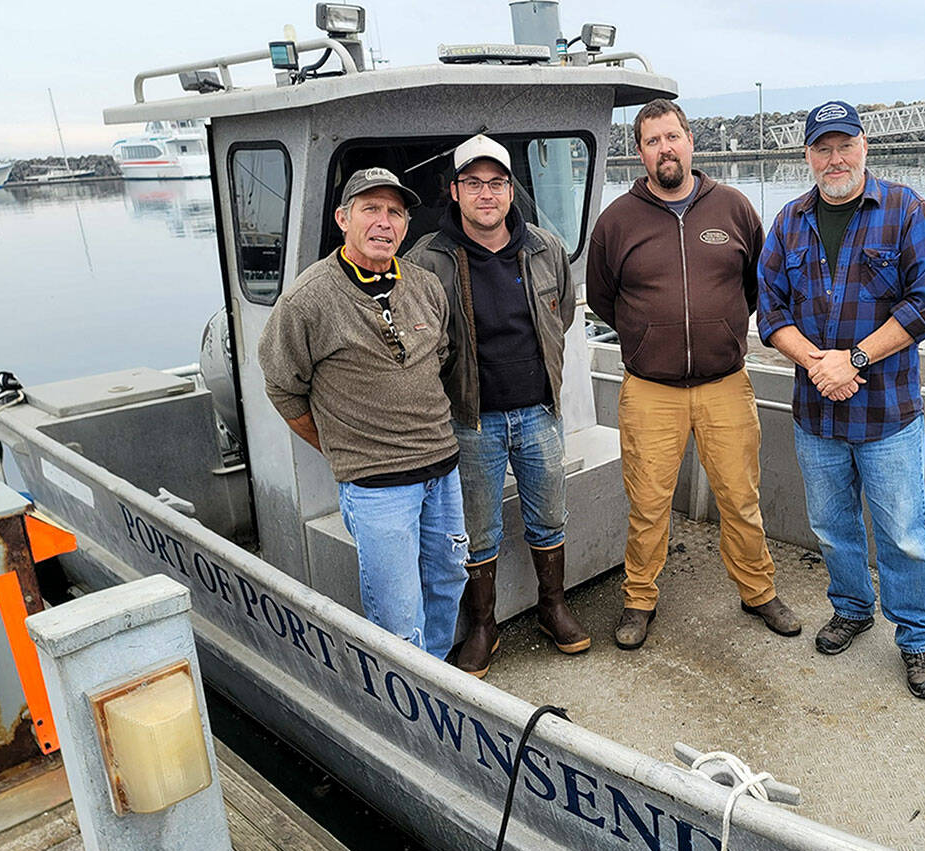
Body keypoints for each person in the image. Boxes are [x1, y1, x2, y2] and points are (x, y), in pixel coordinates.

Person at [587, 98, 801, 650]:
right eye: (652, 141)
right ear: (639, 153)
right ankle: (639, 599)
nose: (665, 149)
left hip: (725, 385)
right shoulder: (616, 222)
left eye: (672, 137)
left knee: (740, 496)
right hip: (650, 391)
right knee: (648, 503)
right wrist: (649, 336)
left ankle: (757, 591)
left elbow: (757, 287)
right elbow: (602, 299)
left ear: (690, 141)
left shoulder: (732, 207)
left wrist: (716, 329)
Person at [756, 101, 925, 698]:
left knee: (902, 533)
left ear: (865, 146)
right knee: (833, 525)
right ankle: (852, 607)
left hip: (887, 412)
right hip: (817, 412)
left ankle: (917, 638)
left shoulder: (905, 209)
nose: (834, 158)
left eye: (844, 145)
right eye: (822, 147)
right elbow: (770, 312)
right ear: (808, 154)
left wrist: (855, 359)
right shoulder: (790, 222)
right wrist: (819, 363)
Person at [259, 167, 469, 661]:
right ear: (342, 219)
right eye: (370, 209)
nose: (384, 222)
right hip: (377, 488)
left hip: (443, 471)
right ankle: (412, 712)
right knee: (397, 619)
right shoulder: (306, 301)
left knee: (447, 581)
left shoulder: (424, 285)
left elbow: (439, 358)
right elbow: (282, 388)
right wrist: (341, 447)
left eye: (395, 212)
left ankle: (438, 681)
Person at [410, 134, 588, 678]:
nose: (486, 194)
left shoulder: (545, 249)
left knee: (549, 517)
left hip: (538, 412)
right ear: (455, 191)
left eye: (496, 183)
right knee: (478, 529)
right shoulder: (426, 261)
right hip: (470, 421)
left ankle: (551, 606)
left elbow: (559, 317)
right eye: (474, 184)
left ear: (511, 190)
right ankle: (484, 625)